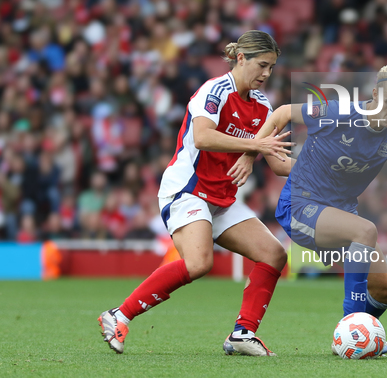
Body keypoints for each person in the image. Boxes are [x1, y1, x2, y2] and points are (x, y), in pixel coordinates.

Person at [229, 63, 387, 356]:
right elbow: (282, 113)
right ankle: (350, 328)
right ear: (377, 92)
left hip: (338, 216)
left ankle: (359, 335)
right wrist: (252, 153)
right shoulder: (339, 112)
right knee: (365, 230)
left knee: (385, 288)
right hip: (301, 207)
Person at [98, 30, 294, 356]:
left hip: (222, 199)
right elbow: (203, 137)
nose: (266, 74)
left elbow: (275, 160)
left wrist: (325, 168)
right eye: (262, 65)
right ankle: (118, 315)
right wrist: (253, 146)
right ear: (241, 58)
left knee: (274, 254)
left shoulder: (262, 105)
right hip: (187, 191)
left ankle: (243, 334)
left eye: (272, 67)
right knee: (199, 262)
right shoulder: (214, 91)